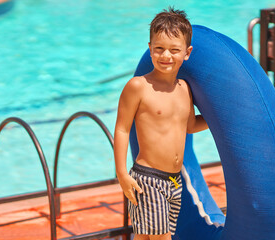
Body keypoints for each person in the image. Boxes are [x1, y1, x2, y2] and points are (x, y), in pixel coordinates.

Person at [113, 7, 209, 240]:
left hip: (173, 181)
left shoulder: (185, 89)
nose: (166, 56)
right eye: (159, 49)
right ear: (150, 49)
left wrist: (219, 119)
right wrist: (121, 174)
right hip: (148, 178)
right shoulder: (138, 86)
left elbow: (189, 127)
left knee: (145, 237)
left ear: (187, 53)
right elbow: (122, 129)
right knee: (162, 238)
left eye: (174, 50)